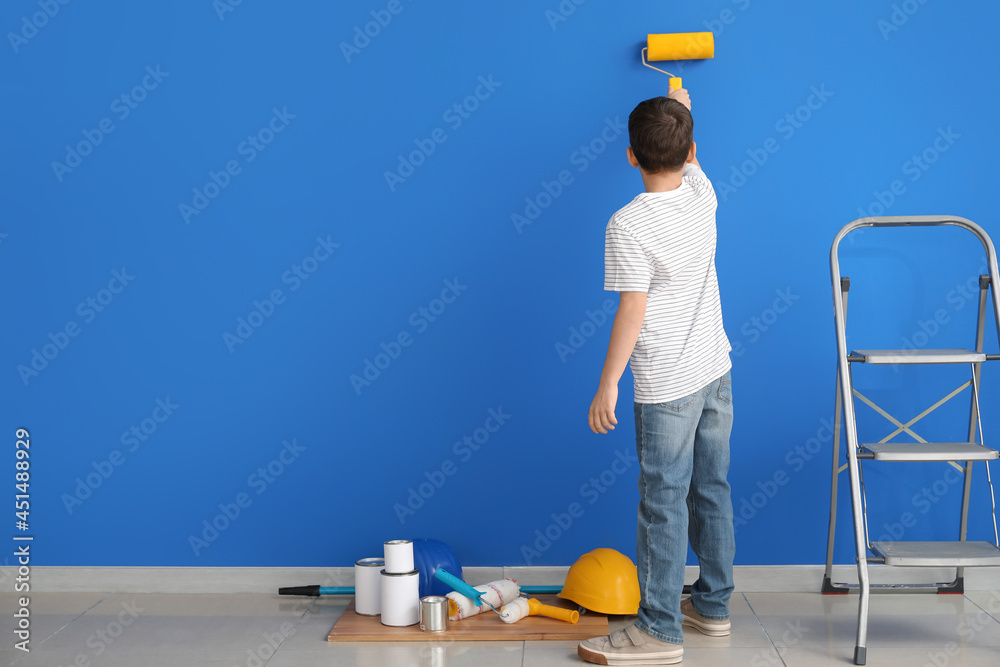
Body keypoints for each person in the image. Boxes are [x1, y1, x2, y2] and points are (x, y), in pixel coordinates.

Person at [578, 87, 735, 666]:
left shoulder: (627, 223)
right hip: (714, 370)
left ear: (629, 156)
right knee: (711, 489)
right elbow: (691, 159)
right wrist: (684, 102)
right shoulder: (703, 193)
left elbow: (633, 308)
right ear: (691, 148)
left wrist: (608, 382)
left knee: (662, 503)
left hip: (666, 384)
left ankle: (660, 630)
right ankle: (713, 607)